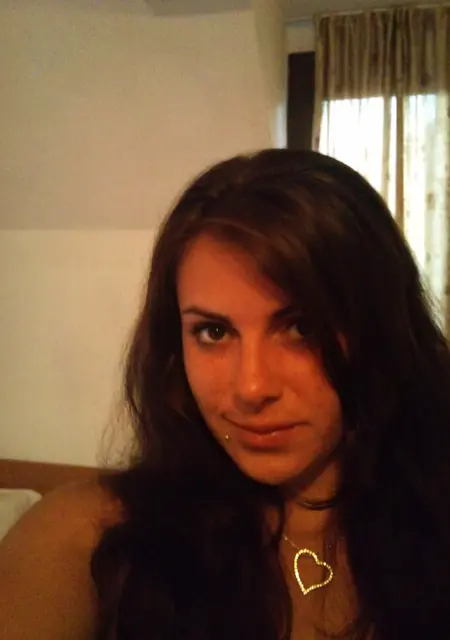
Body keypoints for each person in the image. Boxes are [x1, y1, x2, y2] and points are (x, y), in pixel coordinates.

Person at [1, 149, 450, 640]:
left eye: (302, 328)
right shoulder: (84, 537)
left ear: (381, 326)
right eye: (213, 332)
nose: (251, 388)